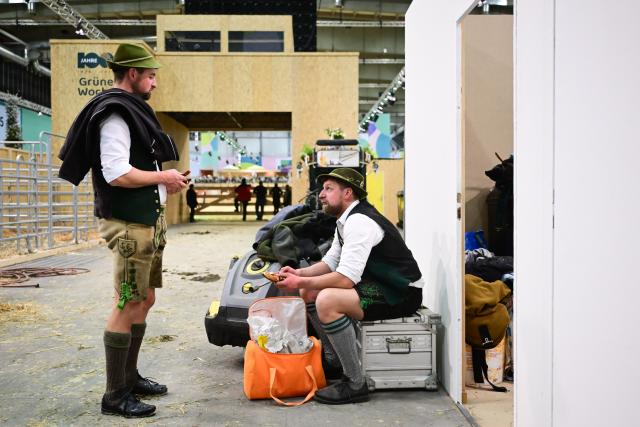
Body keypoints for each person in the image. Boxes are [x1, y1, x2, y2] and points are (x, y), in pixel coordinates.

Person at [58, 43, 189, 418]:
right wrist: (163, 176)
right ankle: (115, 395)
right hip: (129, 223)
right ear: (132, 74)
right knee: (128, 300)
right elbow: (116, 173)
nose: (155, 83)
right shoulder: (115, 114)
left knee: (144, 299)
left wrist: (164, 184)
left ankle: (129, 377)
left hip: (146, 218)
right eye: (150, 75)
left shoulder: (130, 110)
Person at [276, 168, 424, 405]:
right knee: (310, 291)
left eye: (328, 189)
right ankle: (336, 360)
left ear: (347, 193)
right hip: (379, 285)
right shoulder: (344, 221)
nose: (321, 195)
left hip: (400, 293)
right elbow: (330, 262)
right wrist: (298, 274)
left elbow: (345, 279)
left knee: (326, 299)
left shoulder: (360, 221)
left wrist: (301, 281)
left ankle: (355, 383)